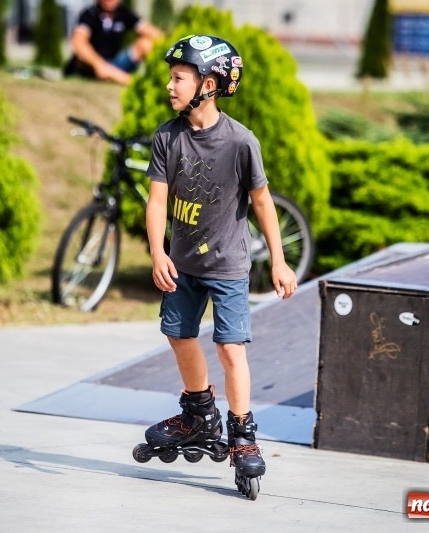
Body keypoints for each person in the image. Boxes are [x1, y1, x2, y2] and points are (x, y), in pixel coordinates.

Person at [143, 35, 298, 489]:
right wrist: (158, 252)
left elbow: (264, 203)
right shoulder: (167, 137)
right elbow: (156, 202)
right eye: (171, 77)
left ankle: (244, 434)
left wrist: (279, 262)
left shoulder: (240, 142)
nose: (170, 86)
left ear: (208, 85)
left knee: (231, 349)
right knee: (177, 335)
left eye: (179, 78)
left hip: (229, 265)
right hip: (183, 262)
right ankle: (198, 412)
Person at [67, 0, 162, 85]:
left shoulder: (123, 12)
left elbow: (154, 33)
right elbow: (78, 42)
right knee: (84, 55)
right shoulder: (89, 14)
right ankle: (138, 83)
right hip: (93, 65)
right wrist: (98, 64)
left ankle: (162, 78)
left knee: (146, 44)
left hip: (115, 63)